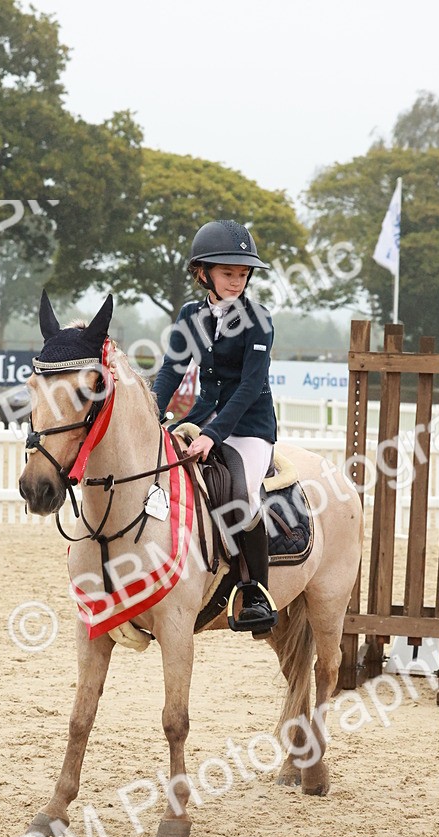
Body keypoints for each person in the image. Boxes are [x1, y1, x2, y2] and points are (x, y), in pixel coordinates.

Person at [152, 219, 278, 633]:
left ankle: (255, 592)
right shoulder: (190, 315)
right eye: (228, 273)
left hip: (250, 426)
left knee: (243, 498)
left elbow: (249, 385)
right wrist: (151, 413)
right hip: (204, 415)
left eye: (243, 274)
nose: (237, 281)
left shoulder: (258, 318)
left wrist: (212, 434)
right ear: (203, 273)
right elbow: (171, 372)